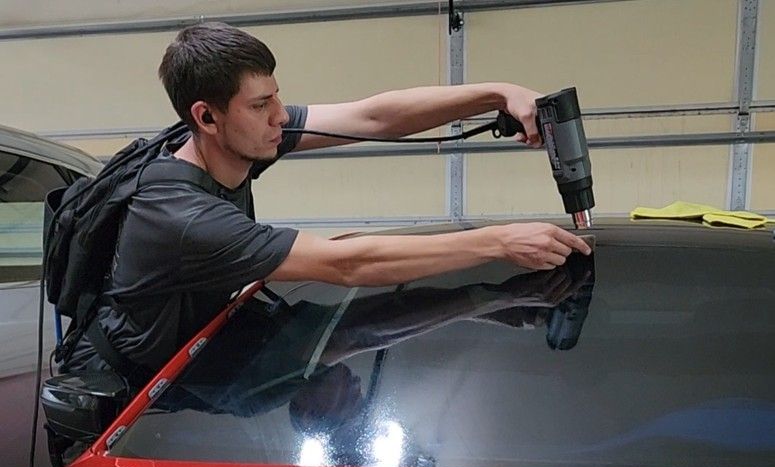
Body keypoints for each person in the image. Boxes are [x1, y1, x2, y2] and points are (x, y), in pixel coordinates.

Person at [64, 21, 591, 388]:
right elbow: (347, 264)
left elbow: (371, 119)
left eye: (275, 96)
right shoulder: (181, 215)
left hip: (191, 365)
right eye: (260, 105)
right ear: (205, 117)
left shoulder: (226, 138)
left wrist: (498, 94)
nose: (279, 116)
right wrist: (497, 241)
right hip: (126, 401)